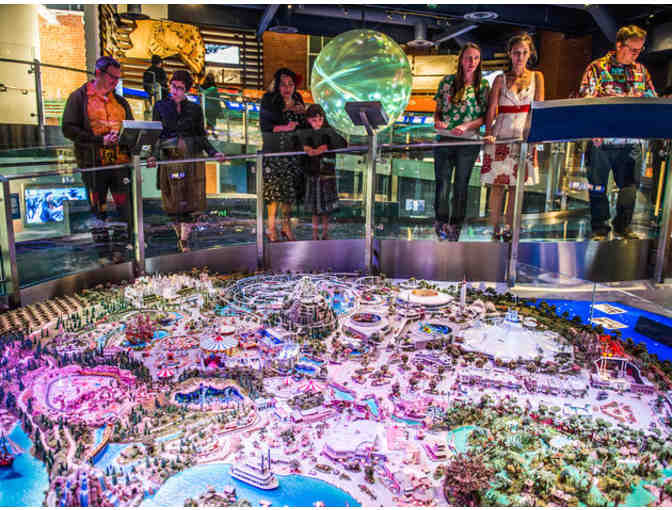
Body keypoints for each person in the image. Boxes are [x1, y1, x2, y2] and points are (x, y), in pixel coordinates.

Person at [579, 25, 657, 240]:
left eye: (639, 50)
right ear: (619, 45)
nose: (636, 54)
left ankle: (623, 226)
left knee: (630, 187)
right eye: (633, 49)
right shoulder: (597, 68)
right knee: (597, 187)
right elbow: (586, 100)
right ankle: (599, 228)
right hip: (601, 140)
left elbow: (652, 98)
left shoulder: (641, 71)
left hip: (631, 141)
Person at [62, 55, 134, 262]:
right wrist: (99, 140)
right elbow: (68, 129)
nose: (115, 82)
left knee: (125, 209)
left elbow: (131, 128)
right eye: (112, 77)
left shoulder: (120, 102)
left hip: (120, 165)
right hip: (94, 165)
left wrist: (127, 140)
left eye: (118, 78)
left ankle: (120, 251)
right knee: (98, 210)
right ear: (98, 73)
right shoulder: (79, 98)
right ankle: (103, 254)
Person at [148, 70, 225, 252]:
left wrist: (214, 152)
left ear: (187, 90)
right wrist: (152, 155)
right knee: (173, 201)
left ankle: (184, 239)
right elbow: (155, 134)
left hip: (192, 159)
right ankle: (181, 237)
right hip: (170, 159)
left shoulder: (195, 109)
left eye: (180, 88)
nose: (175, 90)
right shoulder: (160, 106)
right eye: (173, 86)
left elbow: (201, 136)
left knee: (190, 200)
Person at [482, 33, 545, 241]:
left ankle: (510, 230)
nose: (520, 57)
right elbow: (492, 107)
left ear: (530, 54)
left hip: (523, 139)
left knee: (516, 188)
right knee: (497, 186)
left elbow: (538, 108)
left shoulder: (537, 77)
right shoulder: (500, 79)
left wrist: (535, 134)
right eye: (516, 53)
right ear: (510, 54)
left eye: (524, 53)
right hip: (500, 137)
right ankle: (493, 231)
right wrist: (488, 133)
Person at [433, 43, 490, 241]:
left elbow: (484, 117)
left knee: (461, 185)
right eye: (468, 58)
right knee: (442, 184)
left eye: (476, 58)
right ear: (461, 60)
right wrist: (438, 122)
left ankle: (456, 226)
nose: (472, 62)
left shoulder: (483, 85)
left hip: (468, 142)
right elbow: (437, 111)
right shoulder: (447, 82)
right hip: (445, 140)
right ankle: (440, 223)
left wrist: (467, 126)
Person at [260, 68, 306, 242]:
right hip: (274, 152)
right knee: (274, 193)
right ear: (277, 85)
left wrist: (303, 113)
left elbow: (303, 125)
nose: (287, 88)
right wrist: (285, 127)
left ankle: (286, 226)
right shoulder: (269, 100)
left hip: (293, 153)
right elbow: (265, 126)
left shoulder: (298, 98)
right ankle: (271, 228)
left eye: (291, 84)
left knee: (289, 193)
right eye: (283, 84)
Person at [299, 104, 347, 240]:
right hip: (313, 173)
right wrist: (306, 148)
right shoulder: (305, 133)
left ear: (323, 118)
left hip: (326, 173)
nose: (317, 123)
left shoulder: (328, 131)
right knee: (314, 208)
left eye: (320, 119)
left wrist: (326, 146)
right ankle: (315, 234)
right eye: (313, 120)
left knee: (326, 208)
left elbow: (343, 143)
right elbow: (298, 144)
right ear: (308, 120)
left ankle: (325, 233)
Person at [201, 73, 222, 137]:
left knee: (205, 123)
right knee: (211, 123)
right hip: (212, 109)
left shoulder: (201, 88)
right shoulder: (214, 89)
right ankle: (212, 133)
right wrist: (220, 110)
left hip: (203, 108)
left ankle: (207, 134)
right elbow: (217, 100)